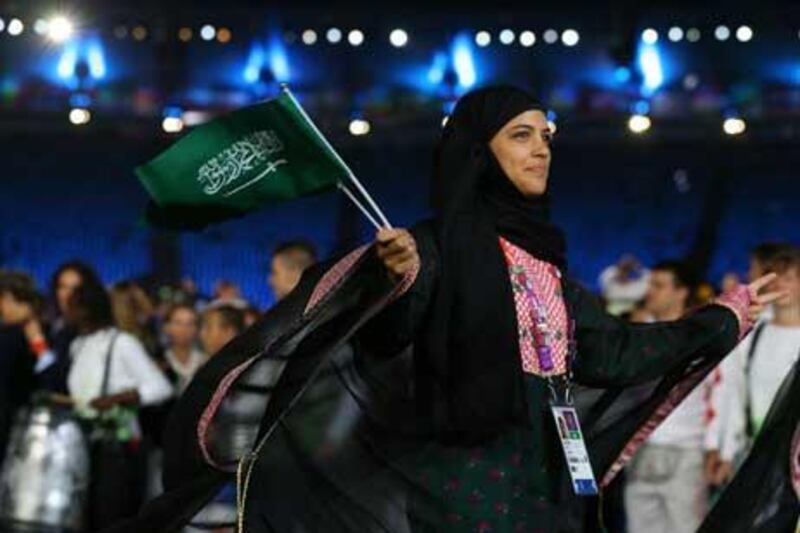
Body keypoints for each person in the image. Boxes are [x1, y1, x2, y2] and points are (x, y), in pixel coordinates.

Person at [114, 86, 781, 533]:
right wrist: (389, 281)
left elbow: (607, 353)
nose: (542, 147)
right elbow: (388, 344)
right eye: (521, 135)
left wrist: (724, 315)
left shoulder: (544, 259)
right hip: (461, 492)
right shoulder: (430, 249)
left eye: (546, 135)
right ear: (479, 150)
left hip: (549, 489)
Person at [66, 280, 173, 530]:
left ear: (85, 310)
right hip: (87, 449)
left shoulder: (123, 343)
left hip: (119, 452)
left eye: (71, 306)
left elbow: (161, 388)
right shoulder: (77, 346)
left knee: (113, 522)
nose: (66, 312)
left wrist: (119, 398)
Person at [624, 261, 715, 533]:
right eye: (649, 284)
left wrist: (716, 446)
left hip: (686, 450)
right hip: (640, 448)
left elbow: (721, 392)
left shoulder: (703, 334)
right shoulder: (637, 333)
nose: (649, 291)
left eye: (659, 285)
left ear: (681, 292)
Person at [712, 247, 800, 482]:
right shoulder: (751, 335)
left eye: (789, 278)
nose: (780, 285)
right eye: (775, 277)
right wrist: (726, 452)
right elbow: (734, 394)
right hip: (755, 451)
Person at [162, 303, 206, 394]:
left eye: (190, 324)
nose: (184, 329)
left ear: (197, 329)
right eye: (178, 323)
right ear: (166, 327)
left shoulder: (206, 361)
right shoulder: (158, 362)